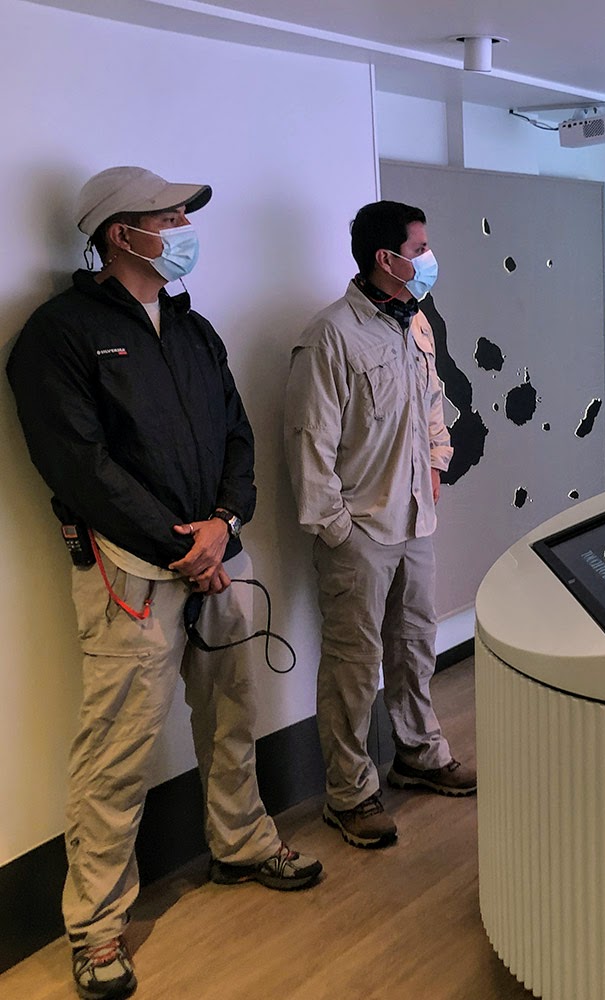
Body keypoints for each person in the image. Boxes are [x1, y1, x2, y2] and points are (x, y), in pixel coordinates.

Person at [6, 166, 322, 1000]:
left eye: (183, 214)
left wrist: (226, 522)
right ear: (121, 233)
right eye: (170, 215)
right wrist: (182, 545)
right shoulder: (59, 334)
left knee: (232, 715)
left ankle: (242, 844)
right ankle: (98, 927)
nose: (184, 227)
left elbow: (236, 434)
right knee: (117, 748)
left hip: (218, 555)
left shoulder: (194, 330)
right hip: (132, 572)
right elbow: (79, 464)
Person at [284, 200, 476, 851]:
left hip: (415, 521)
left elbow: (431, 404)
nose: (428, 258)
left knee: (414, 645)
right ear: (384, 260)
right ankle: (350, 792)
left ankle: (418, 754)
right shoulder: (331, 335)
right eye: (419, 247)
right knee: (353, 666)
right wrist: (336, 529)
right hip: (359, 533)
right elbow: (310, 444)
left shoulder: (412, 321)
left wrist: (437, 469)